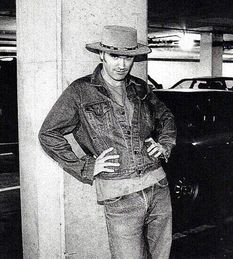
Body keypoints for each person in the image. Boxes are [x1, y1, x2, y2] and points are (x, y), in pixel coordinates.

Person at [39, 25, 176, 259]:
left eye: (128, 57)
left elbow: (166, 117)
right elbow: (48, 134)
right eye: (115, 56)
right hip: (120, 197)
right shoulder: (81, 91)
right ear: (102, 54)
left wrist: (164, 144)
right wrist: (87, 166)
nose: (121, 65)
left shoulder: (140, 87)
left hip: (158, 187)